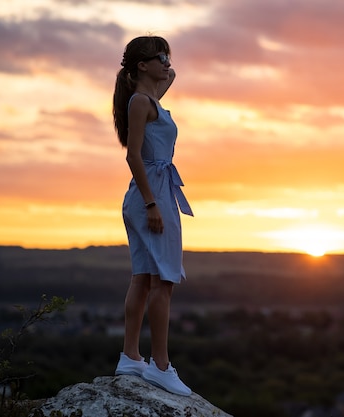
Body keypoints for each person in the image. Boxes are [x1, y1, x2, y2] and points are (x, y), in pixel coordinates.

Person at [111, 35, 193, 396]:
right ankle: (160, 365)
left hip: (151, 193)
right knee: (164, 281)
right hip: (152, 194)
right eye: (159, 57)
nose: (167, 63)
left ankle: (131, 356)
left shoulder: (148, 99)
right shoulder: (141, 102)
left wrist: (162, 62)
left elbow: (169, 75)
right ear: (141, 65)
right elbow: (132, 155)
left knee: (143, 278)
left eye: (167, 56)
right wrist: (151, 204)